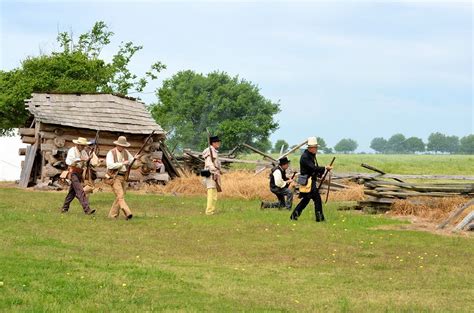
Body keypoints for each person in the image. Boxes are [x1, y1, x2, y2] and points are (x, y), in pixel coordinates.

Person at [290, 137, 333, 222]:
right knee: (317, 199)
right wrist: (324, 168)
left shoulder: (310, 156)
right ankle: (319, 218)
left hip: (310, 181)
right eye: (315, 147)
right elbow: (312, 168)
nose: (316, 149)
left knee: (306, 200)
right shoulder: (305, 157)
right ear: (310, 148)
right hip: (308, 181)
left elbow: (313, 169)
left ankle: (294, 216)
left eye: (316, 147)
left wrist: (320, 175)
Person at [60, 137, 96, 215]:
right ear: (77, 144)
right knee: (80, 191)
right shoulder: (72, 151)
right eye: (82, 145)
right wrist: (80, 159)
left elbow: (87, 162)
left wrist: (91, 159)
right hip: (72, 172)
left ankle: (64, 208)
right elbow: (68, 161)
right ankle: (87, 209)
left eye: (84, 145)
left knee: (72, 193)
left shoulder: (83, 152)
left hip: (79, 174)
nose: (83, 147)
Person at [106, 136, 139, 220]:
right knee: (120, 196)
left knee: (119, 197)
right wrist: (122, 163)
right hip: (114, 177)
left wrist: (135, 159)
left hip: (123, 177)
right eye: (120, 145)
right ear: (117, 145)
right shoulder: (111, 153)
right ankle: (128, 213)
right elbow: (110, 165)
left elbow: (133, 164)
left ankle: (112, 216)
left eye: (123, 146)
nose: (122, 147)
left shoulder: (126, 152)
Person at [202, 135, 222, 215]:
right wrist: (214, 170)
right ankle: (209, 211)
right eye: (217, 142)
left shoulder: (213, 150)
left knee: (214, 193)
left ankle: (211, 210)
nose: (218, 143)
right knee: (211, 193)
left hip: (214, 173)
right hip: (210, 174)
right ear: (213, 143)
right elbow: (209, 163)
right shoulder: (209, 150)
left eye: (218, 142)